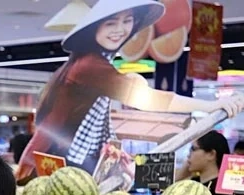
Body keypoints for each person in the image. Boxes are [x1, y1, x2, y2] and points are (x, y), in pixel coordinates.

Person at [16, 0, 244, 184]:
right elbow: (148, 100)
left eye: (127, 21)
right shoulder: (90, 66)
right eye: (110, 23)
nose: (120, 30)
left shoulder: (90, 61)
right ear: (95, 28)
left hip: (59, 165)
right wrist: (209, 106)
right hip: (52, 166)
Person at [176, 130, 235, 195]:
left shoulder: (222, 192)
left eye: (193, 149)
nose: (188, 155)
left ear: (211, 154)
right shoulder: (193, 183)